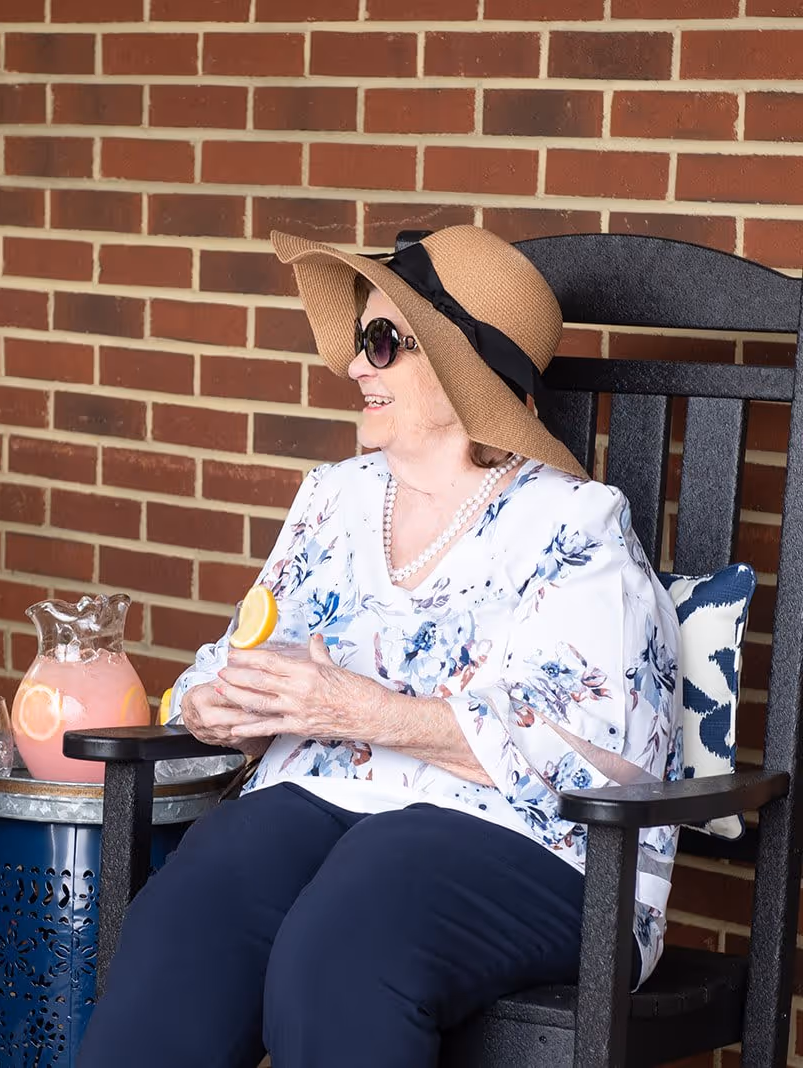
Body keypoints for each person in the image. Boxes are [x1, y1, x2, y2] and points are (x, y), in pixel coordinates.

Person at [77, 226, 681, 1068]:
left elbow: (597, 756)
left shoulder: (576, 525)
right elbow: (241, 649)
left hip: (538, 848)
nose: (354, 366)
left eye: (381, 342)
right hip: (329, 816)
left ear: (462, 368)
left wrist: (363, 711)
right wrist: (224, 707)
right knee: (200, 895)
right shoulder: (333, 498)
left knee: (344, 941)